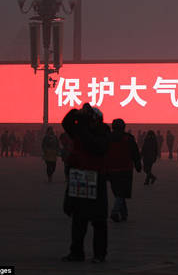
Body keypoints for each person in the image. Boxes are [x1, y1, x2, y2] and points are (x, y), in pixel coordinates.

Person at [61, 104, 111, 263]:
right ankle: (76, 252)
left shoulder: (103, 133)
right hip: (80, 177)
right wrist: (77, 112)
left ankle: (99, 254)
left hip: (96, 177)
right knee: (78, 219)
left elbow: (96, 147)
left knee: (99, 220)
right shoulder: (80, 130)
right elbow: (66, 123)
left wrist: (82, 126)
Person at [106, 119, 141, 223]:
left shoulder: (108, 138)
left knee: (118, 192)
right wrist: (138, 165)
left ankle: (124, 214)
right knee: (122, 192)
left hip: (111, 169)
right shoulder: (128, 138)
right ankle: (115, 211)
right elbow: (135, 153)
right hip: (126, 169)